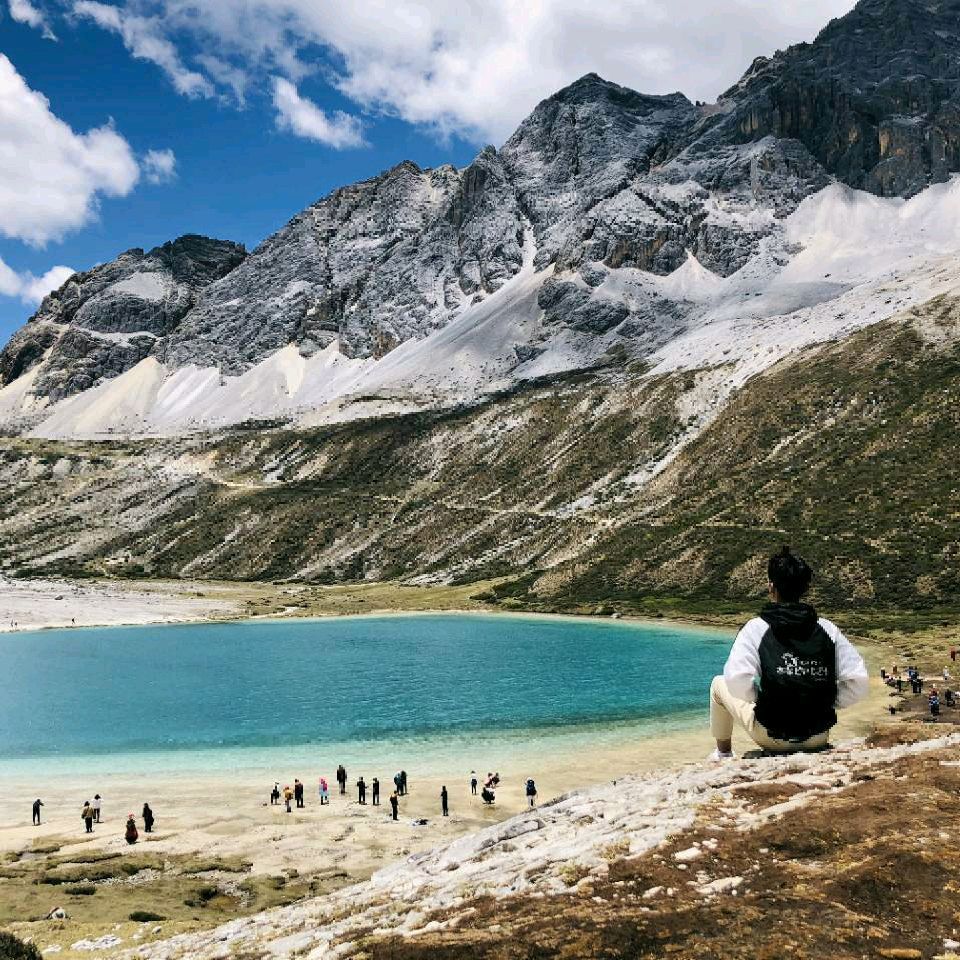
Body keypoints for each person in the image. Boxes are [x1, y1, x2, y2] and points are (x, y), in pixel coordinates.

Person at [709, 547, 869, 759]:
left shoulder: (757, 628)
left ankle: (723, 753)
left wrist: (761, 700)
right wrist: (826, 702)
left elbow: (736, 680)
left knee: (718, 683)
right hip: (818, 736)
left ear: (771, 587)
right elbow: (859, 682)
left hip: (773, 737)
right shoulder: (827, 629)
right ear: (805, 588)